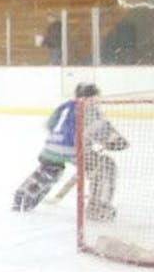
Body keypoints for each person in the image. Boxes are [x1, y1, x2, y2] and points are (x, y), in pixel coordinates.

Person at [12, 83, 127, 217]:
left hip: (51, 148)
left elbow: (50, 125)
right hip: (74, 150)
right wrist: (117, 141)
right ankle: (98, 208)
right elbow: (102, 132)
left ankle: (24, 197)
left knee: (50, 170)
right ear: (91, 96)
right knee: (106, 166)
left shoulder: (65, 106)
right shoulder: (90, 108)